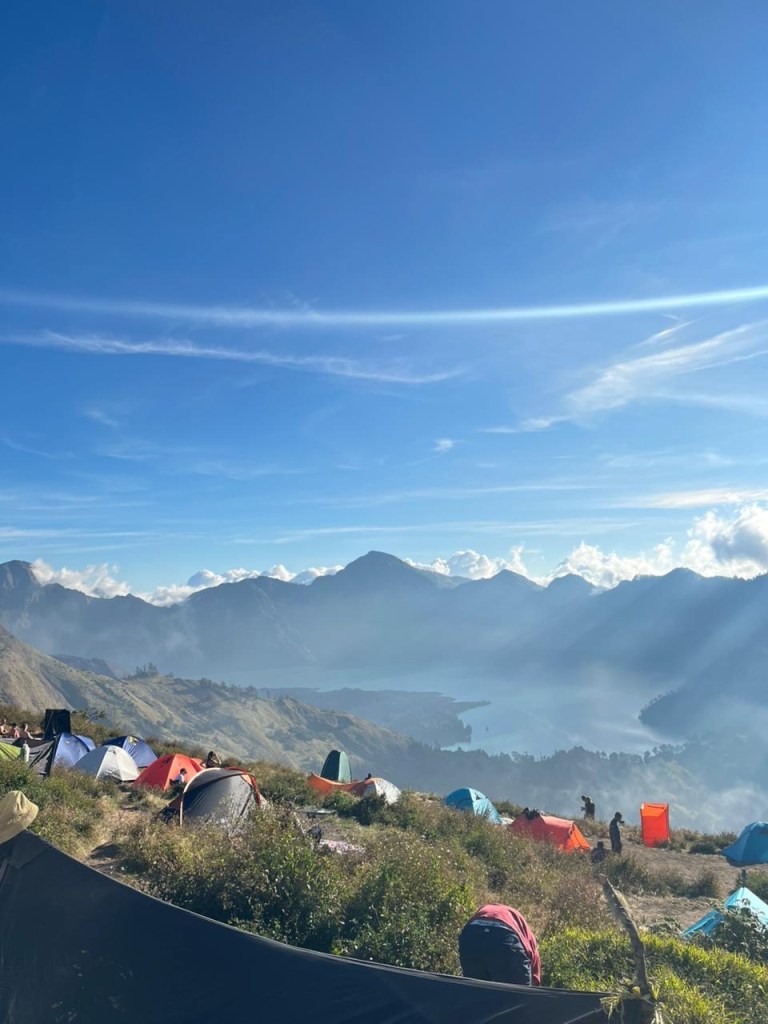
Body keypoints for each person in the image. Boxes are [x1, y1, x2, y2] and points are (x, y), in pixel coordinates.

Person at [458, 904, 541, 986]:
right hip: (504, 935)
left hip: (472, 934)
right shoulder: (531, 944)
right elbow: (535, 979)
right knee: (520, 995)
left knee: (475, 992)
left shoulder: (522, 930)